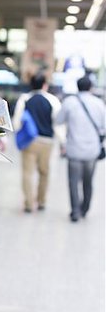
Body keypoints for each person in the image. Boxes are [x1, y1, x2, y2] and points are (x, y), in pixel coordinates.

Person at [56, 76, 105, 222]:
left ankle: (75, 211)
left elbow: (58, 121)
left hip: (74, 150)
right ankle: (85, 209)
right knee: (88, 182)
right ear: (90, 87)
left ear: (77, 87)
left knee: (73, 182)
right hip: (92, 151)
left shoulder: (69, 102)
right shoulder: (99, 104)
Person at [13, 73, 61, 213]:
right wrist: (63, 141)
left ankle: (28, 204)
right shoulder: (53, 100)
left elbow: (17, 121)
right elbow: (57, 123)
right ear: (45, 85)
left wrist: (19, 133)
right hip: (47, 142)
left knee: (27, 173)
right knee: (44, 172)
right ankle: (41, 201)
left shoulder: (25, 98)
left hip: (29, 141)